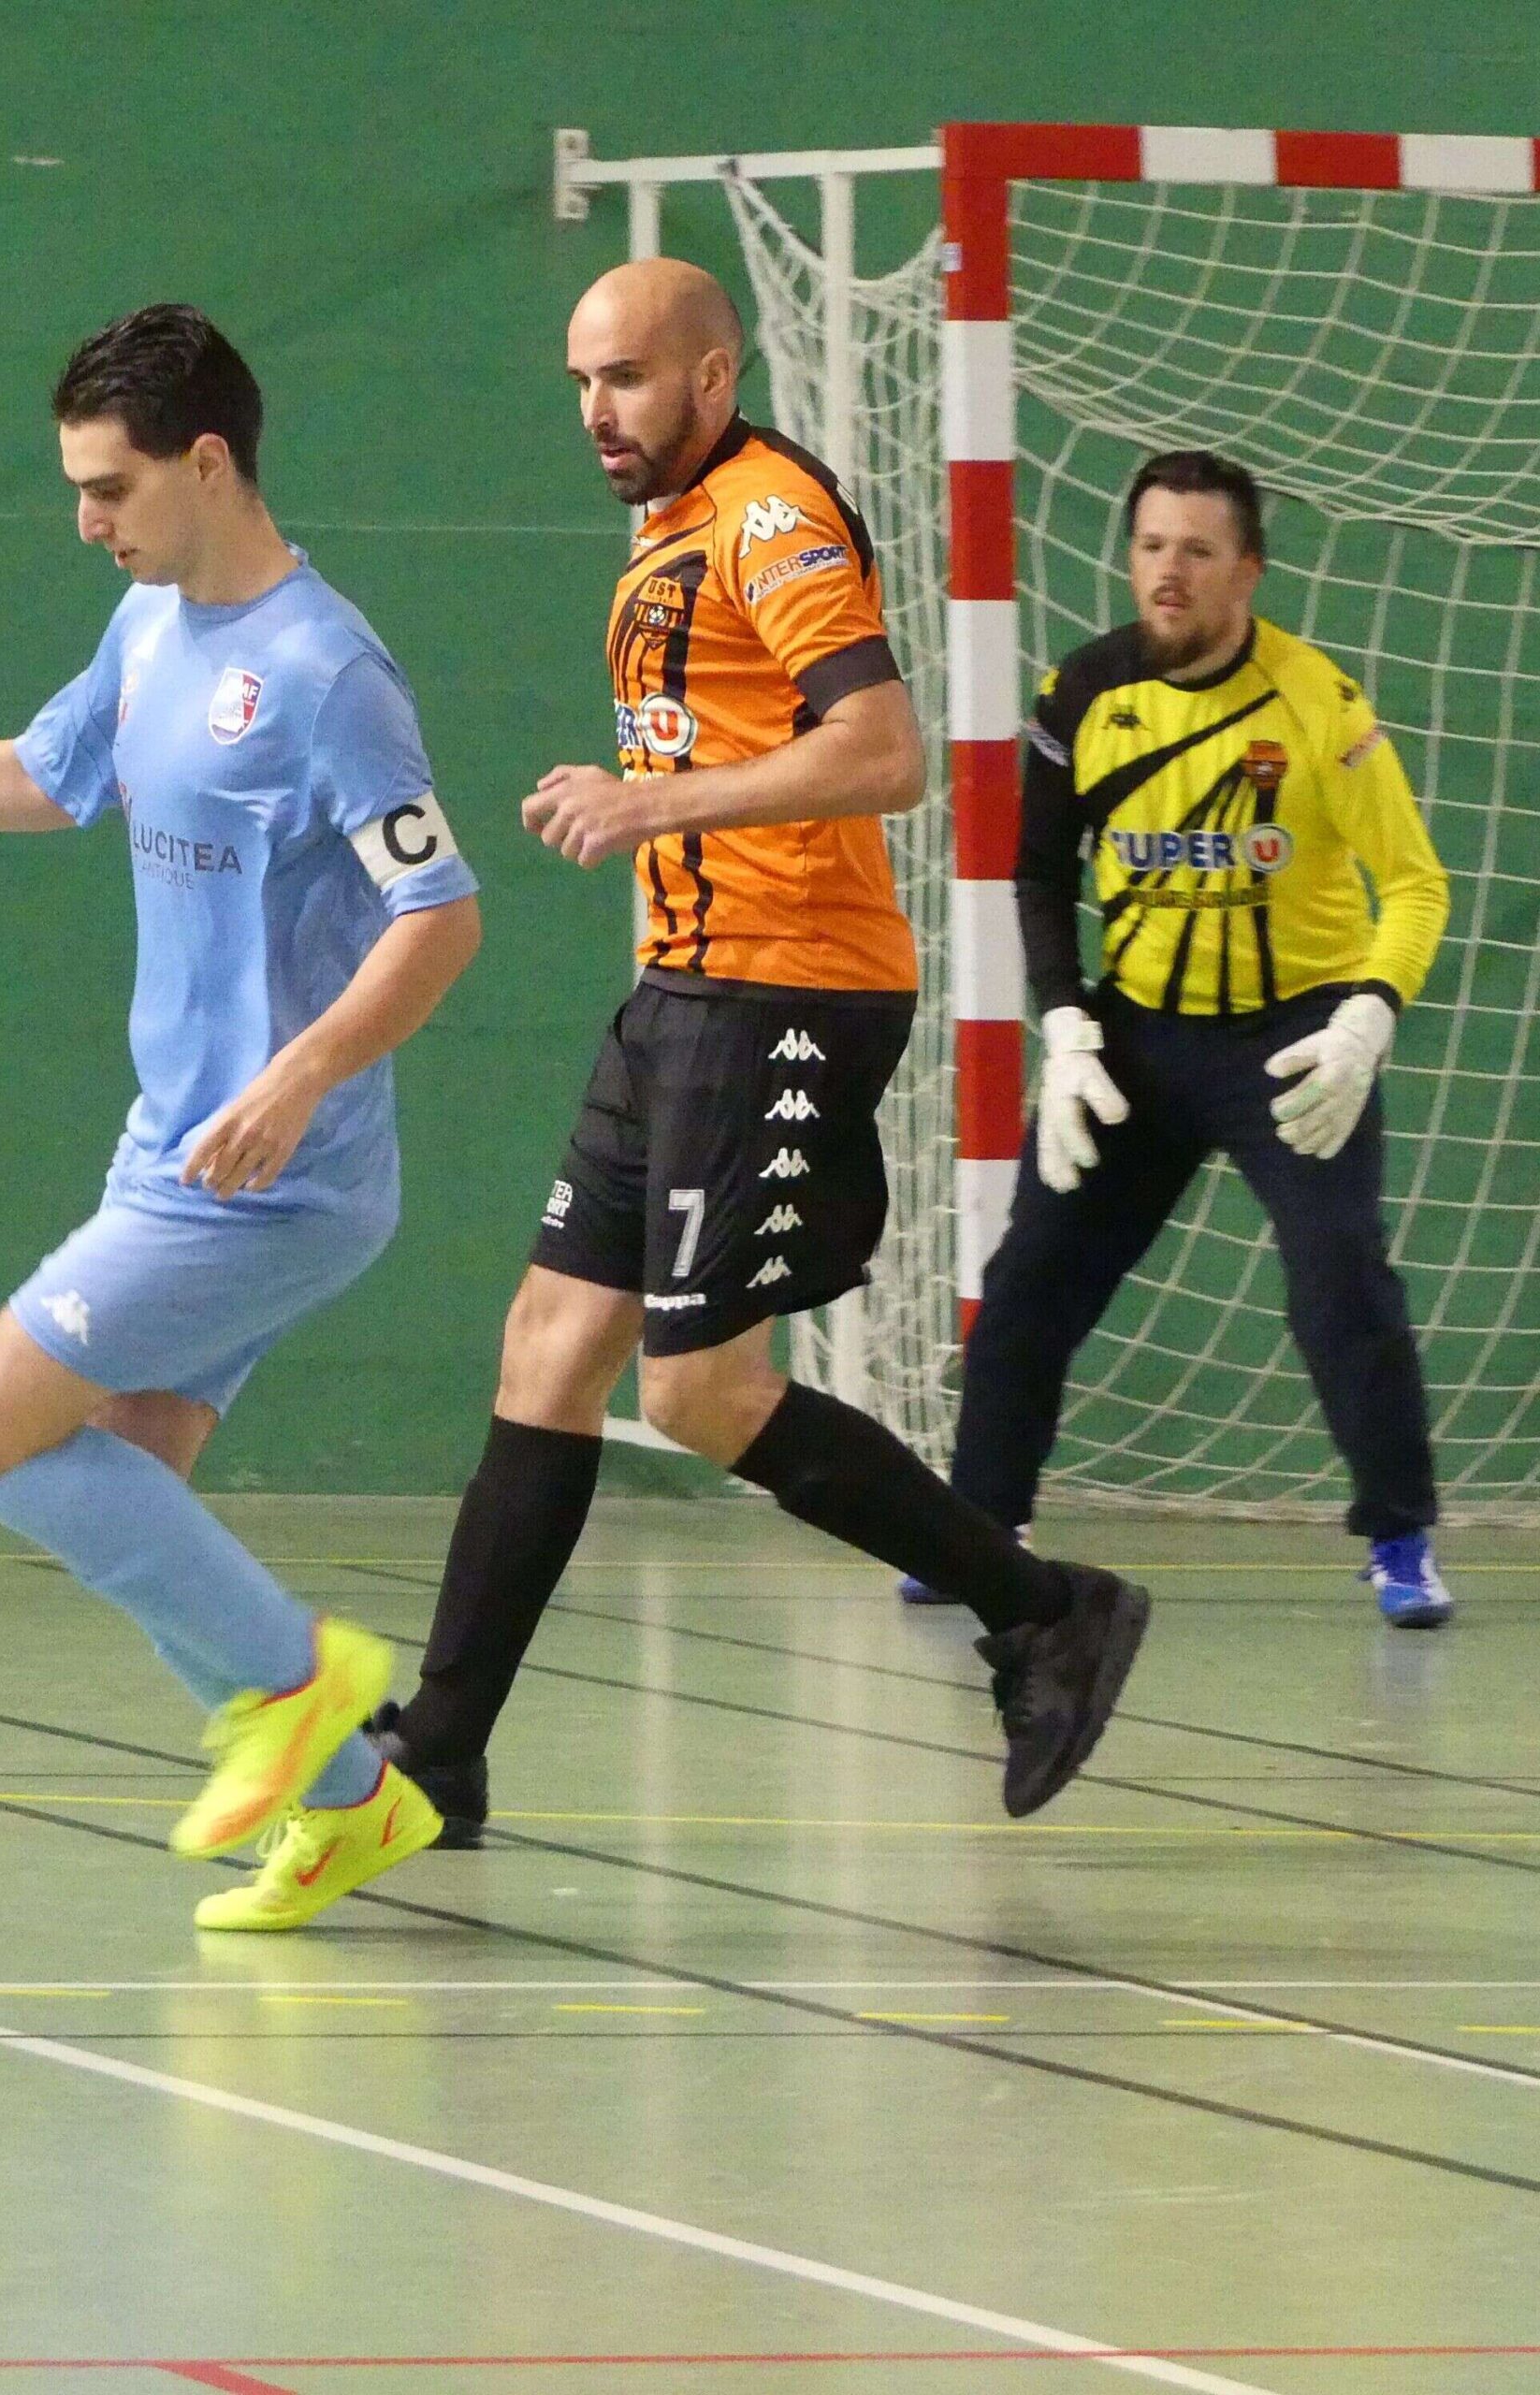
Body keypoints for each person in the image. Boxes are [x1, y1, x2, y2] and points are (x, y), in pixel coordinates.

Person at [0, 303, 483, 1924]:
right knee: (124, 1479)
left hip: (277, 1176)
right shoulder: (147, 631)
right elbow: (46, 778)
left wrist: (300, 1075)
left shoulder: (328, 674)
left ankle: (304, 1688)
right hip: (171, 1147)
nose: (87, 521)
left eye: (111, 488)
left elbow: (442, 920)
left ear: (211, 464)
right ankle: (346, 1807)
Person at [368, 259, 1150, 1851]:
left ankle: (1045, 1610)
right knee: (547, 1352)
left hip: (786, 989)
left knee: (701, 1389)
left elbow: (886, 752)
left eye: (628, 379)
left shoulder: (769, 516)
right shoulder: (670, 521)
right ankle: (441, 1754)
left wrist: (649, 803)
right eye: (581, 384)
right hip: (686, 987)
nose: (597, 412)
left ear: (714, 376)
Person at [908, 449, 1453, 1626]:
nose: (1169, 570)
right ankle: (979, 1528)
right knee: (1029, 1278)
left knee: (1340, 1278)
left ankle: (1399, 1539)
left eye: (1198, 551)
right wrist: (1065, 1024)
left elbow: (1414, 884)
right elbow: (1038, 872)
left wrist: (1365, 1020)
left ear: (1246, 571)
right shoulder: (1080, 693)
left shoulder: (1321, 706)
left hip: (1294, 1044)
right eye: (1152, 545)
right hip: (1133, 1039)